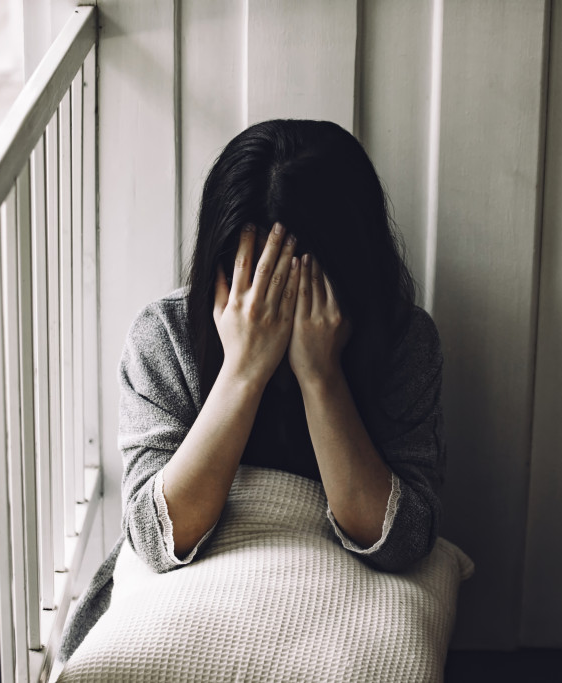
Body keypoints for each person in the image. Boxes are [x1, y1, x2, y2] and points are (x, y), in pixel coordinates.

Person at [59, 119, 447, 663]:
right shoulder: (165, 336)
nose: (275, 306)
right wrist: (242, 370)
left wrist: (321, 376)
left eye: (300, 282)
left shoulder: (404, 341)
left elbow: (403, 540)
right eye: (253, 278)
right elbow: (154, 539)